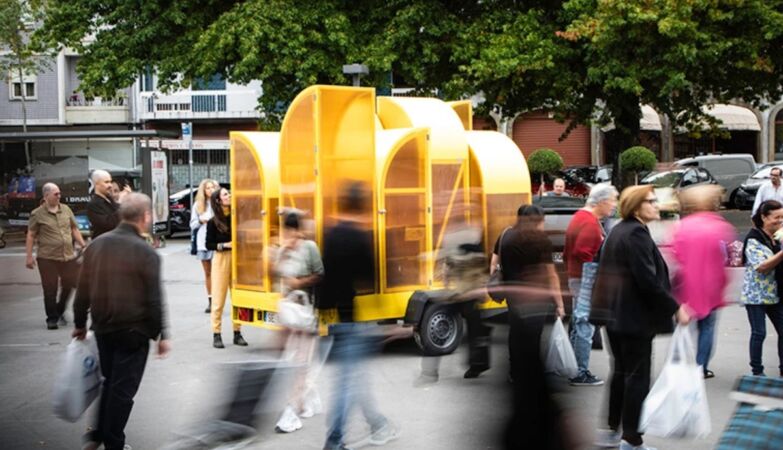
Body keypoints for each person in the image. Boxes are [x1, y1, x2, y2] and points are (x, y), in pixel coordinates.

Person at [592, 185, 690, 450]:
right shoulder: (635, 234)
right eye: (651, 201)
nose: (656, 205)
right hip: (634, 319)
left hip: (616, 317)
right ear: (636, 206)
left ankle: (612, 430)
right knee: (637, 378)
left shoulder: (618, 231)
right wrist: (675, 307)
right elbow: (647, 280)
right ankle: (631, 439)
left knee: (622, 374)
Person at [73, 193, 170, 450]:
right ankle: (113, 442)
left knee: (111, 383)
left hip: (103, 328)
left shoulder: (96, 245)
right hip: (134, 331)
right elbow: (154, 297)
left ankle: (98, 436)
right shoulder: (145, 252)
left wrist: (80, 322)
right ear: (146, 217)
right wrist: (163, 334)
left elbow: (81, 289)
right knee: (122, 391)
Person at [319, 182, 398, 450]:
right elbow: (371, 276)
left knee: (354, 376)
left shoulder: (331, 233)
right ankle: (334, 441)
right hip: (352, 318)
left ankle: (378, 423)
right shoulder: (359, 236)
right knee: (347, 382)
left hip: (335, 319)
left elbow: (325, 275)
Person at [494, 204, 567, 450]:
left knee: (516, 335)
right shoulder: (539, 242)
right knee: (532, 342)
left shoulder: (505, 235)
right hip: (535, 299)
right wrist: (559, 303)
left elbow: (494, 265)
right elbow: (551, 275)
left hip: (514, 296)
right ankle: (529, 384)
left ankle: (515, 373)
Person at [672, 185, 735, 379]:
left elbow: (675, 255)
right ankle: (701, 366)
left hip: (686, 285)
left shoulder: (683, 226)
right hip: (711, 286)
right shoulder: (720, 226)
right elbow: (726, 256)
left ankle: (678, 364)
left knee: (683, 327)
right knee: (707, 327)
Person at [273, 210, 325, 433]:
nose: (289, 236)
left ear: (298, 231)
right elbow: (276, 275)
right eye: (286, 231)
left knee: (301, 362)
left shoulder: (310, 248)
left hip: (304, 311)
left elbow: (321, 274)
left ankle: (290, 413)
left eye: (292, 232)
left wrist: (299, 282)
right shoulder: (283, 249)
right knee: (291, 362)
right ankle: (306, 402)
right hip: (287, 312)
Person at [564, 183, 618, 386]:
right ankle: (580, 371)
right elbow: (582, 252)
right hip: (584, 279)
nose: (613, 206)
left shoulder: (580, 217)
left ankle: (573, 366)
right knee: (584, 325)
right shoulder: (589, 222)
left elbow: (572, 252)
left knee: (578, 325)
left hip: (577, 277)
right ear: (602, 201)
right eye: (612, 201)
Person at [25, 182, 86, 329]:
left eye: (59, 193)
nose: (59, 196)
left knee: (71, 284)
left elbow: (74, 229)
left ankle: (59, 309)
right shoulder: (37, 214)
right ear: (46, 196)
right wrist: (29, 256)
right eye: (56, 194)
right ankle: (52, 319)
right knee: (50, 289)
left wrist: (83, 245)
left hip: (67, 256)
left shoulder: (65, 210)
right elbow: (31, 235)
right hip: (47, 258)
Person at [740, 199, 783, 376]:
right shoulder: (753, 239)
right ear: (764, 217)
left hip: (775, 293)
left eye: (782, 217)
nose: (780, 221)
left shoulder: (777, 238)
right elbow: (762, 266)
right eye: (776, 217)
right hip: (756, 295)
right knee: (759, 333)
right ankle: (757, 371)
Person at [206, 187, 247, 348]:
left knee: (238, 297)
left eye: (229, 193)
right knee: (218, 299)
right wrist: (225, 245)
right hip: (221, 259)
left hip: (238, 259)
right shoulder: (213, 221)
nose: (229, 196)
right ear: (218, 200)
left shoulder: (237, 217)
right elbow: (208, 244)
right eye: (225, 194)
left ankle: (237, 332)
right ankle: (217, 334)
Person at [190, 179, 219, 314]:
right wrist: (201, 220)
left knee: (220, 272)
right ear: (203, 190)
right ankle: (211, 300)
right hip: (203, 242)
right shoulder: (198, 205)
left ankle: (221, 299)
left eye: (212, 187)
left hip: (218, 241)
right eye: (207, 188)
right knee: (208, 273)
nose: (210, 190)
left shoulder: (220, 202)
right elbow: (192, 224)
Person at [87, 169, 129, 239]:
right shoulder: (94, 204)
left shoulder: (110, 200)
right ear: (97, 184)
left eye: (110, 182)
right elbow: (110, 224)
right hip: (105, 245)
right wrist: (120, 201)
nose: (110, 185)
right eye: (106, 182)